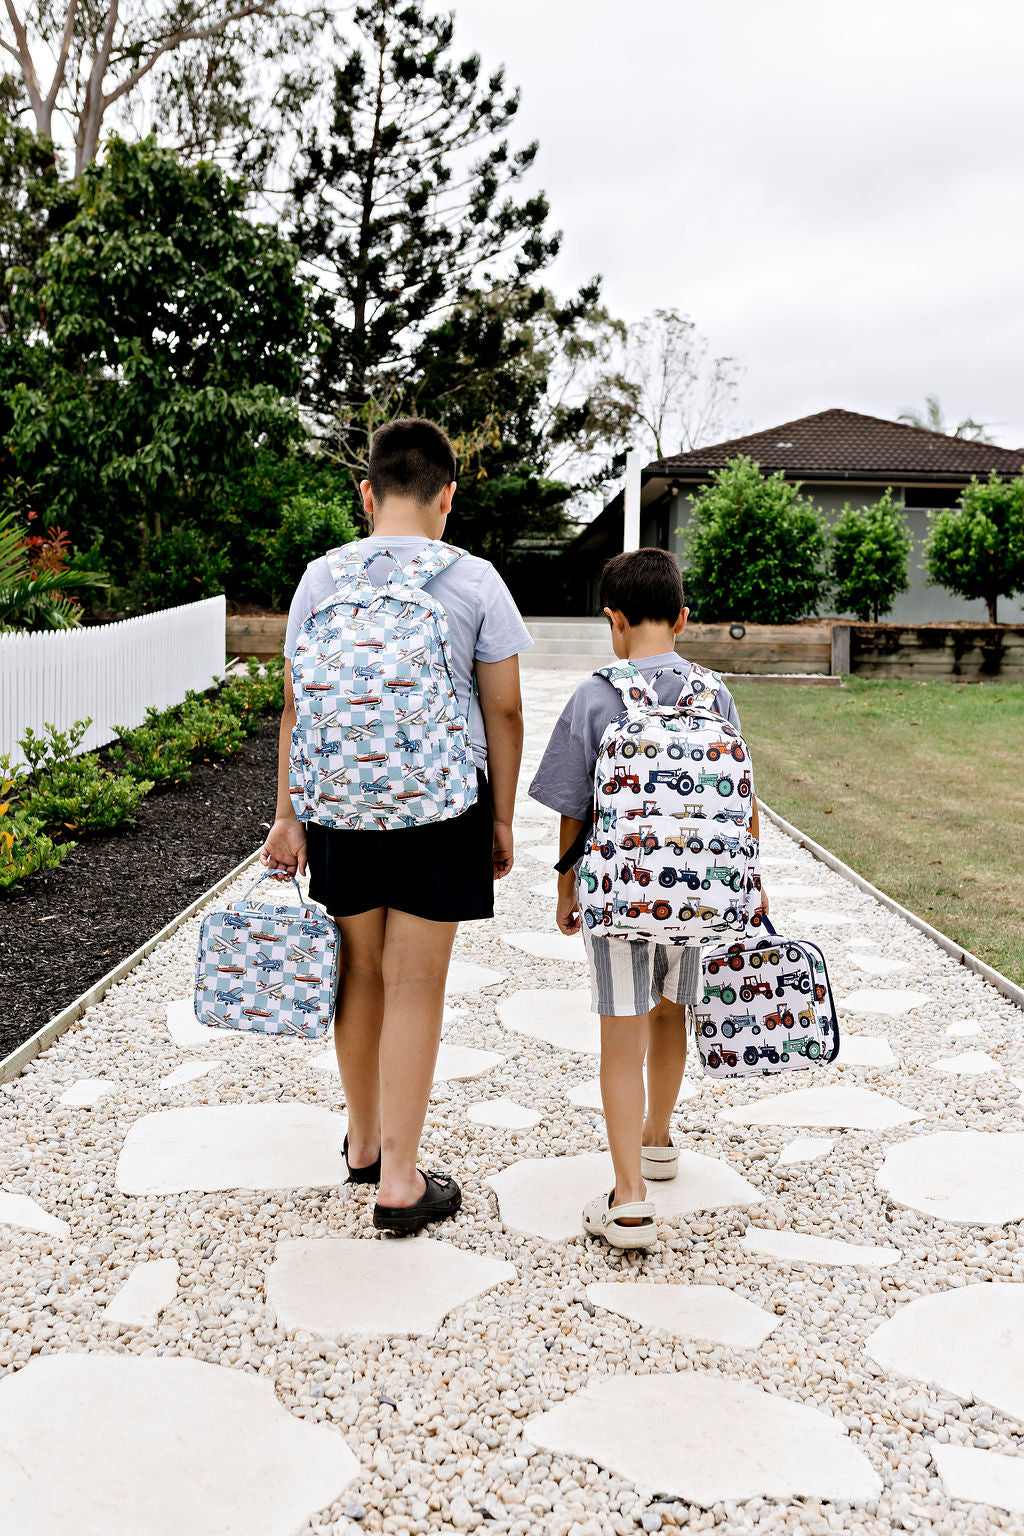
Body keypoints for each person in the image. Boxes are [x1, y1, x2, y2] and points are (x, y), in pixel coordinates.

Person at [261, 418, 531, 1233]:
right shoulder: (476, 579)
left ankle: (365, 1145)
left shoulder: (320, 579)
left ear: (368, 492)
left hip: (339, 801)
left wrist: (287, 815)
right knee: (416, 982)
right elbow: (507, 708)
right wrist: (504, 817)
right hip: (442, 803)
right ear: (447, 497)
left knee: (359, 974)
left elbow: (297, 707)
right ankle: (402, 1183)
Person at [529, 548, 762, 1251]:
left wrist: (567, 884)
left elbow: (573, 806)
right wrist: (752, 880)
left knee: (620, 1032)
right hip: (698, 896)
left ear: (613, 619)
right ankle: (660, 1138)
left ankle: (629, 1197)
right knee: (672, 1016)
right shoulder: (714, 694)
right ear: (684, 619)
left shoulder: (597, 695)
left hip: (620, 893)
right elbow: (741, 802)